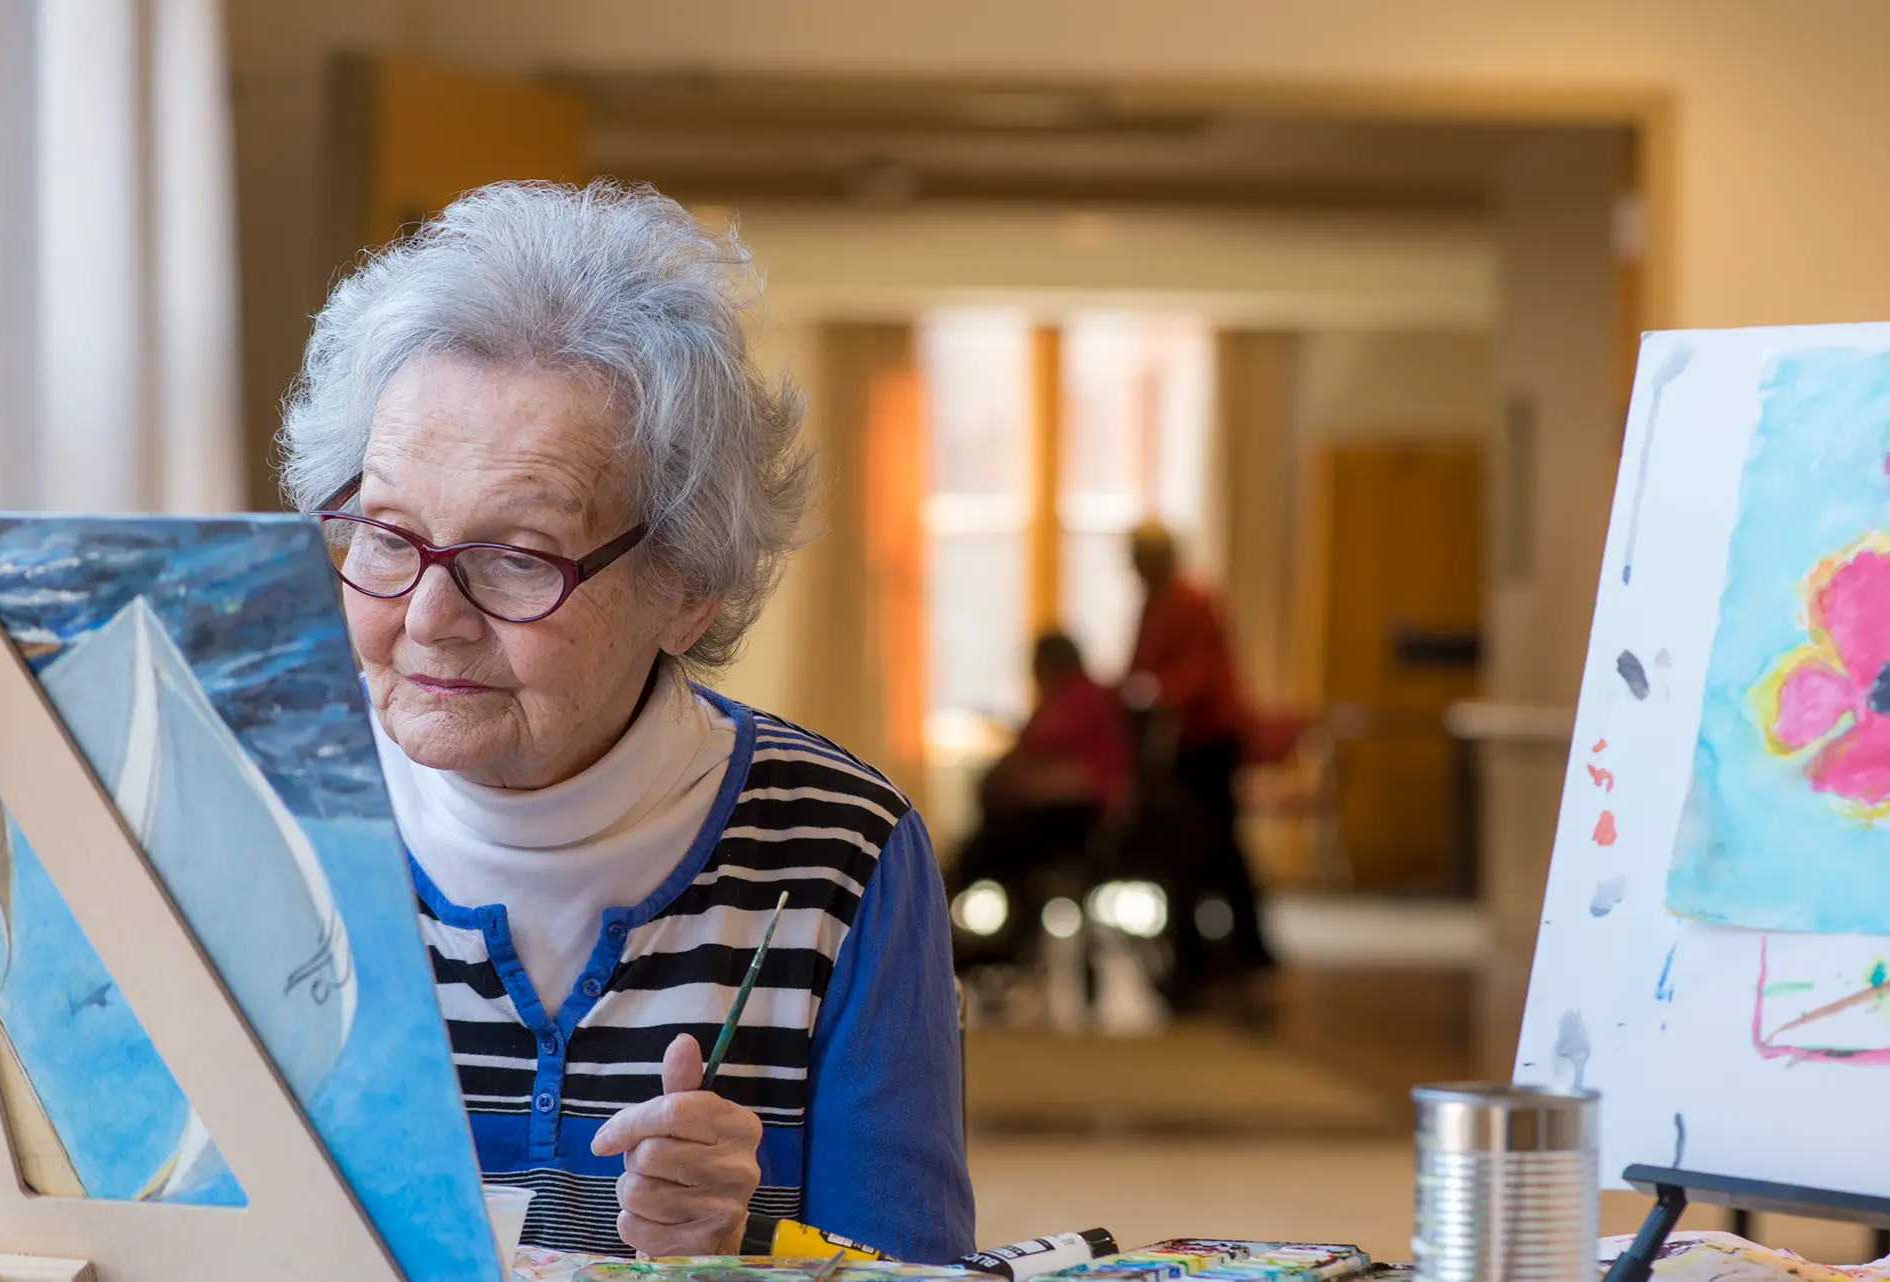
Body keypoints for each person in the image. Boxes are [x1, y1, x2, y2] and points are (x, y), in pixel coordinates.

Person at [279, 181, 973, 1261]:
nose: (426, 619)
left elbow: (910, 1269)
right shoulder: (256, 804)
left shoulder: (842, 850)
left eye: (516, 557)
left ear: (688, 586)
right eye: (385, 534)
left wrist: (737, 1247)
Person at [1122, 522, 1273, 1002]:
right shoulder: (1154, 606)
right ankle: (1200, 958)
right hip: (1184, 744)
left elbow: (1195, 676)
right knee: (1189, 853)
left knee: (1219, 848)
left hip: (1209, 741)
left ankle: (1245, 954)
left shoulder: (1192, 603)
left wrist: (1153, 695)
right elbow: (1141, 669)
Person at [953, 632, 1130, 964]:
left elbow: (1091, 778)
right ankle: (988, 944)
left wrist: (1022, 784)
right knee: (978, 852)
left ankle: (994, 948)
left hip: (1074, 822)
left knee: (985, 855)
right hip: (1041, 819)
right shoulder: (1059, 703)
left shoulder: (1085, 702)